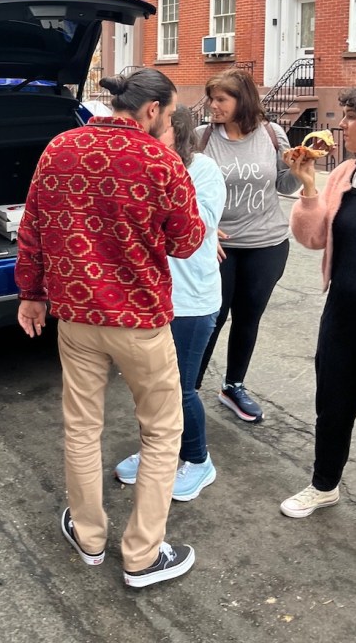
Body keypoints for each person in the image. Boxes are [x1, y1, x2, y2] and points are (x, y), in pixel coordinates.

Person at [15, 69, 205, 589]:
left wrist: (31, 295)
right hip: (140, 322)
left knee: (81, 426)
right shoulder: (160, 161)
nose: (168, 122)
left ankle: (89, 535)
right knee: (163, 432)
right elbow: (188, 241)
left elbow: (31, 227)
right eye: (168, 114)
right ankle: (142, 555)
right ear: (152, 111)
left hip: (75, 317)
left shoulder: (59, 148)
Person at [280, 85, 356, 570]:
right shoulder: (344, 174)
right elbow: (310, 238)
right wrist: (308, 184)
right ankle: (323, 486)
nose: (341, 125)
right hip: (341, 318)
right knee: (332, 409)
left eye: (351, 118)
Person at [115, 104, 226, 500]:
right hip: (149, 298)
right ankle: (157, 451)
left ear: (177, 135)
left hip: (191, 302)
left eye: (155, 134)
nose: (146, 140)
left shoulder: (204, 172)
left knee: (179, 388)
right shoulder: (144, 168)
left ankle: (198, 462)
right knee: (147, 388)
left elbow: (198, 226)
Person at [195, 68, 300, 423]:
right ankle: (188, 390)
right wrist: (204, 232)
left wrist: (300, 167)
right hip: (218, 245)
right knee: (212, 317)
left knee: (248, 318)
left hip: (267, 242)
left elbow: (285, 186)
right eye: (212, 98)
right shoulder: (202, 137)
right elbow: (184, 190)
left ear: (243, 102)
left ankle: (233, 385)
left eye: (221, 99)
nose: (213, 105)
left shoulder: (273, 134)